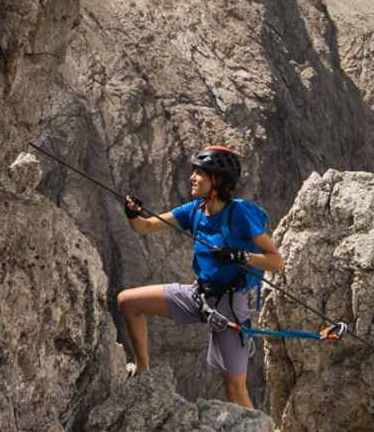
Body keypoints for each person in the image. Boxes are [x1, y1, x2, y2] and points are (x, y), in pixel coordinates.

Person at [116, 144, 284, 408]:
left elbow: (275, 261)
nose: (192, 177)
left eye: (200, 173)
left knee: (235, 390)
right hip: (199, 295)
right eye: (194, 171)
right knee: (127, 302)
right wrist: (132, 214)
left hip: (229, 307)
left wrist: (241, 256)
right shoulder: (194, 209)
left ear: (217, 180)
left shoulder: (239, 213)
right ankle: (142, 369)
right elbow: (146, 226)